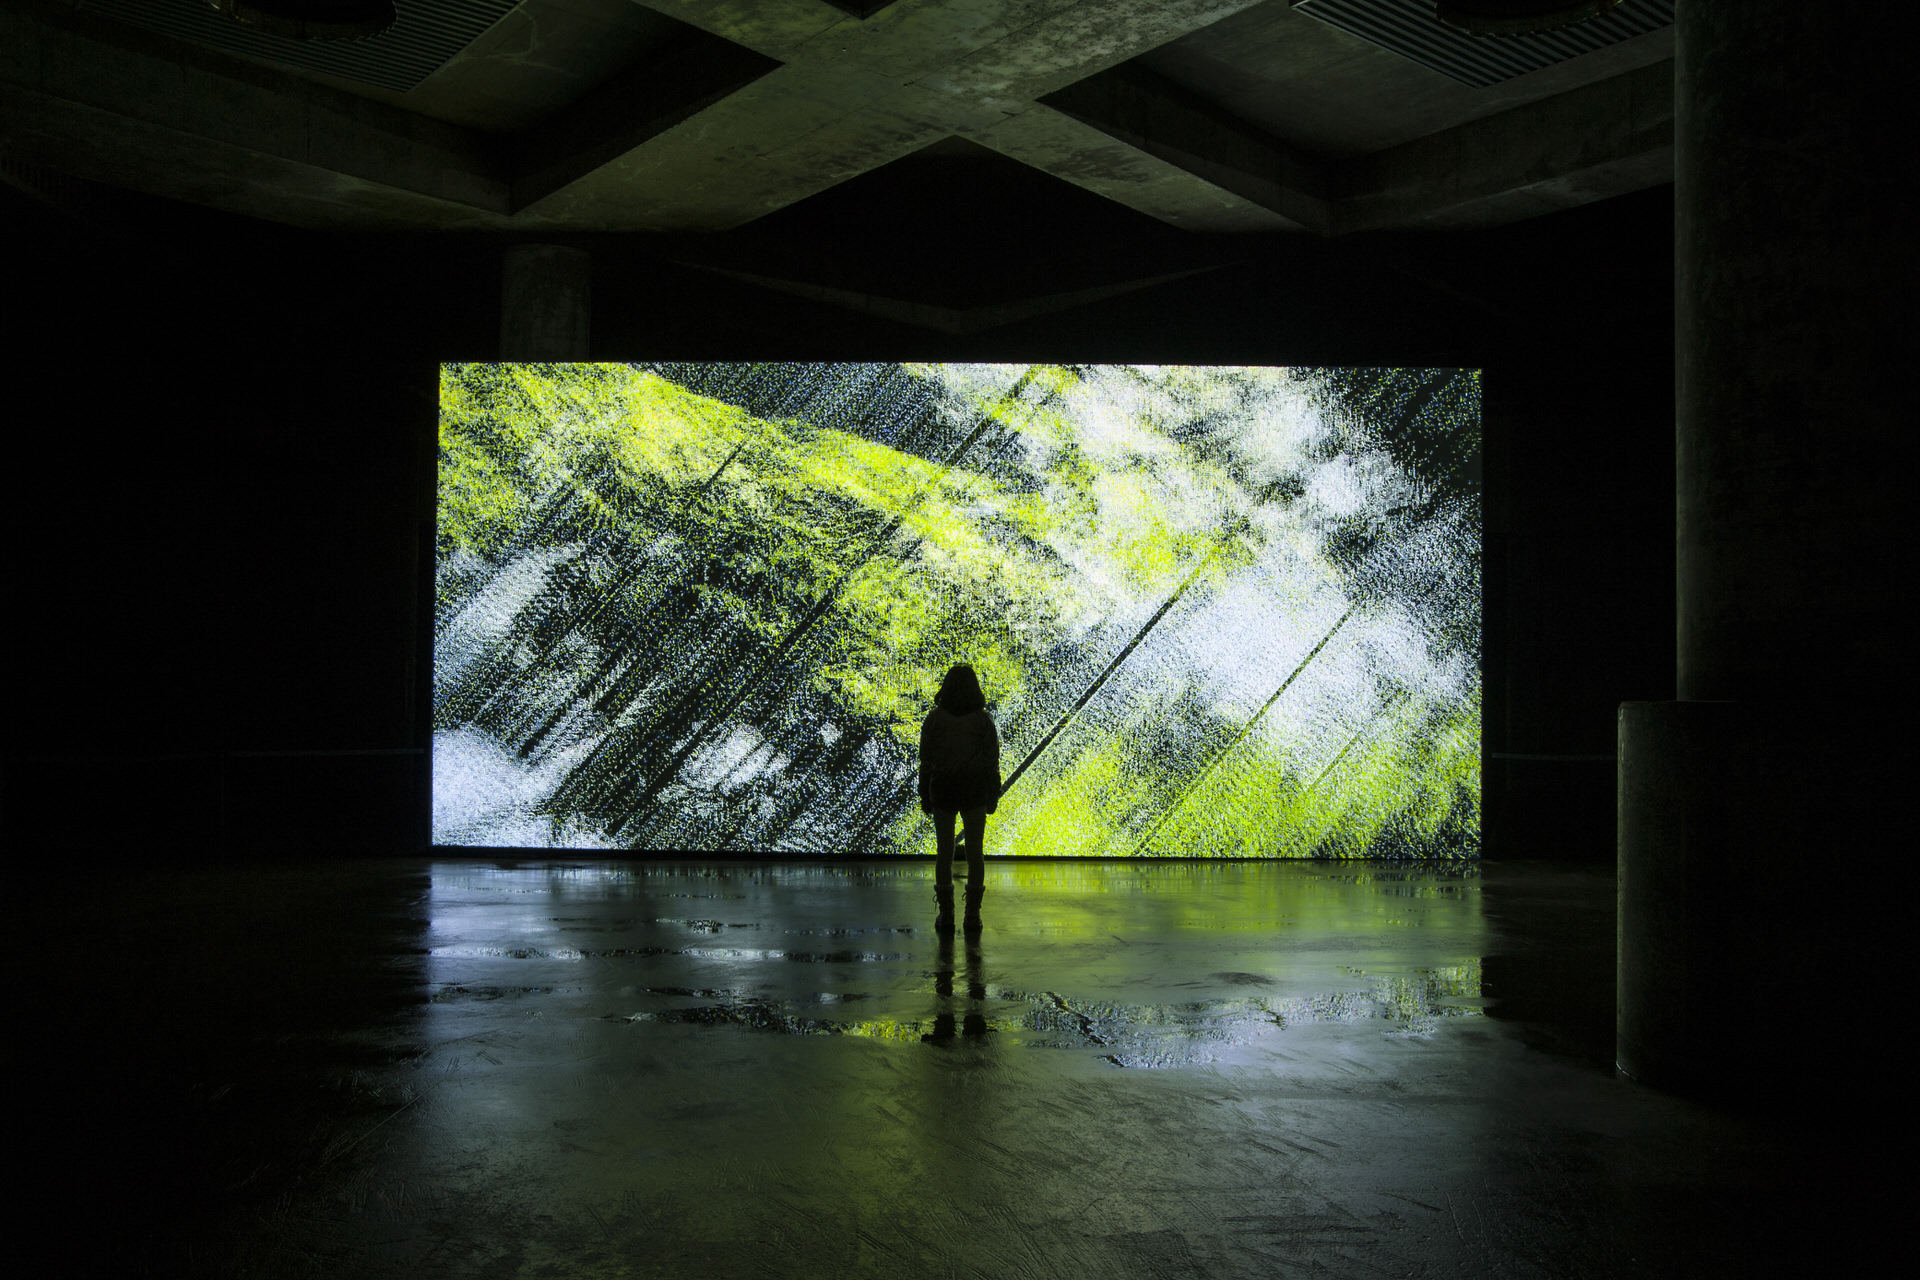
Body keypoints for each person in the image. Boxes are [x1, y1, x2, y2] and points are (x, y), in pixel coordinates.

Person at [919, 663, 1000, 934]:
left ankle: (947, 915)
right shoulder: (982, 720)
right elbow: (991, 761)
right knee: (975, 853)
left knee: (944, 853)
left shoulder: (934, 719)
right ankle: (973, 917)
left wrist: (924, 792)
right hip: (974, 790)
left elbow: (926, 761)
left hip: (942, 789)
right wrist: (993, 793)